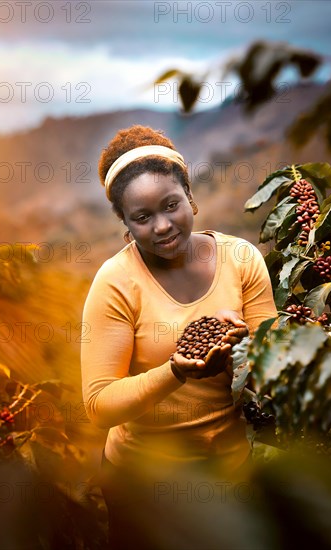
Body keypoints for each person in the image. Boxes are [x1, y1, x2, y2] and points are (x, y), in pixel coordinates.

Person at [81, 125, 277, 549]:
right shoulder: (116, 282)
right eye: (142, 218)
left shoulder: (241, 260)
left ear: (189, 195)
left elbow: (274, 366)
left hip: (229, 474)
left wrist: (240, 345)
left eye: (171, 205)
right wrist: (175, 371)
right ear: (125, 223)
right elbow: (99, 405)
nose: (163, 226)